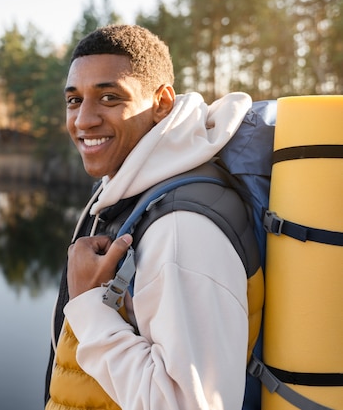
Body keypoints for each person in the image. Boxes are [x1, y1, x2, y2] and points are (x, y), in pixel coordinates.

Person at [44, 24, 255, 409]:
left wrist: (91, 305)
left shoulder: (181, 229)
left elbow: (188, 404)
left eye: (109, 97)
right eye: (74, 101)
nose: (83, 120)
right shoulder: (136, 192)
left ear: (162, 103)